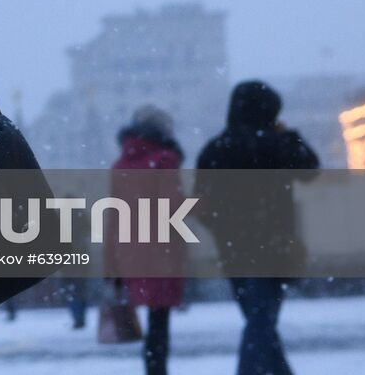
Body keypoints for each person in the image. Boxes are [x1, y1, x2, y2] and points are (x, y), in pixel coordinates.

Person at [196, 81, 320, 375]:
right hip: (273, 246)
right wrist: (288, 135)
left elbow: (200, 204)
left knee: (259, 321)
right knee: (262, 322)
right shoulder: (276, 143)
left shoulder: (215, 149)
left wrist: (222, 228)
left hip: (232, 249)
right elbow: (310, 169)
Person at [105, 105, 187, 375]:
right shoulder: (164, 159)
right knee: (159, 321)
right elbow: (172, 205)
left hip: (130, 249)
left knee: (155, 319)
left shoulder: (121, 165)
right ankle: (156, 369)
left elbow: (114, 216)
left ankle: (153, 367)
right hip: (159, 249)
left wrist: (111, 263)